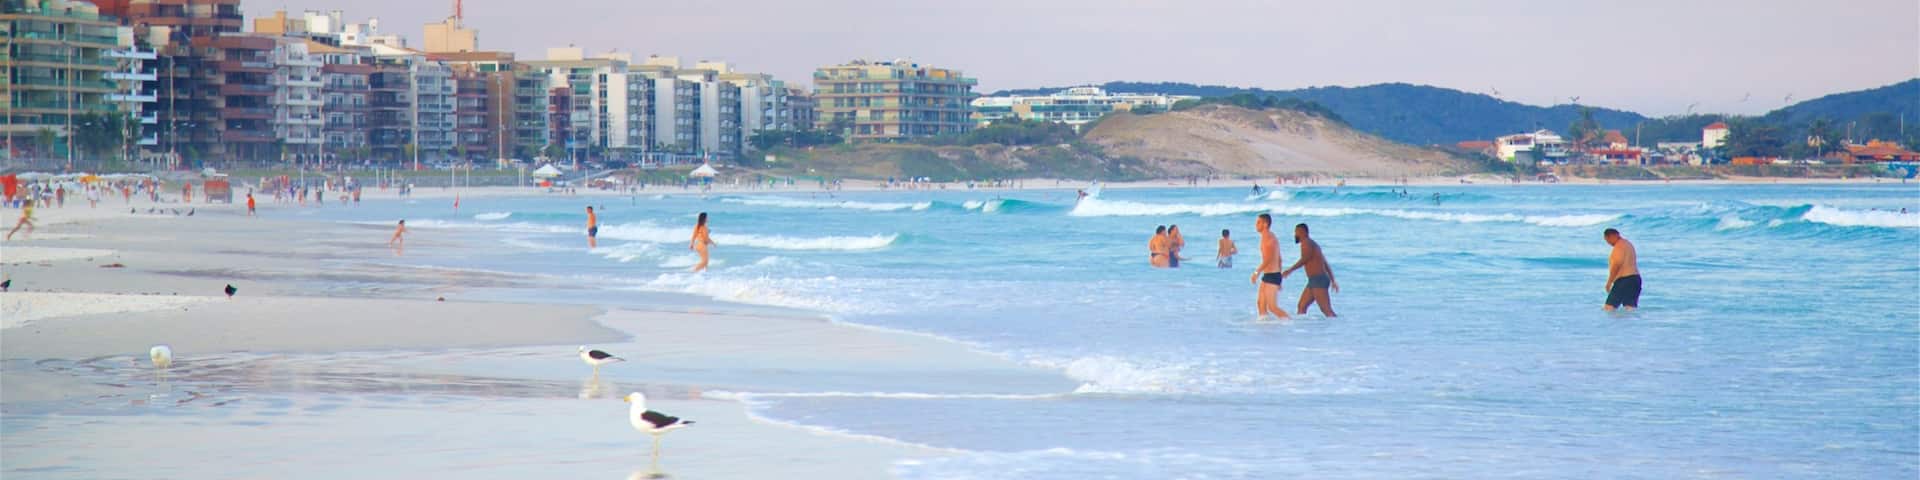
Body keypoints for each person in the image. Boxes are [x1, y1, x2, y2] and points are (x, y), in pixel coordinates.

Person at [1280, 223, 1338, 317]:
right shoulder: (1313, 244)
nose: (1295, 234)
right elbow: (1325, 263)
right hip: (1314, 280)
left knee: (1326, 310)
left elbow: (1304, 259)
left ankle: (1339, 328)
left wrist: (1290, 270)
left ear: (1301, 232)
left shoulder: (1306, 243)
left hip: (1318, 280)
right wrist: (1332, 280)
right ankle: (1302, 329)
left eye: (1296, 232)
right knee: (1301, 306)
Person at [1250, 214, 1288, 319]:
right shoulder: (1270, 236)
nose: (1256, 225)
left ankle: (1290, 323)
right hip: (1270, 275)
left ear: (1265, 224)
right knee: (1260, 303)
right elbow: (1279, 259)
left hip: (1272, 276)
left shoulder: (1267, 238)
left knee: (1272, 307)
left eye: (1258, 222)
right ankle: (1265, 327)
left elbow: (1268, 259)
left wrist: (1256, 273)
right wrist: (1280, 277)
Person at [1603, 228, 1641, 312]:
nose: (1608, 243)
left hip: (1624, 280)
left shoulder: (1619, 247)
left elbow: (1617, 264)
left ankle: (1610, 325)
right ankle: (1629, 325)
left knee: (1608, 308)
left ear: (1612, 236)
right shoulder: (1628, 244)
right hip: (1635, 279)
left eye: (1607, 240)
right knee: (1630, 309)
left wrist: (1609, 282)